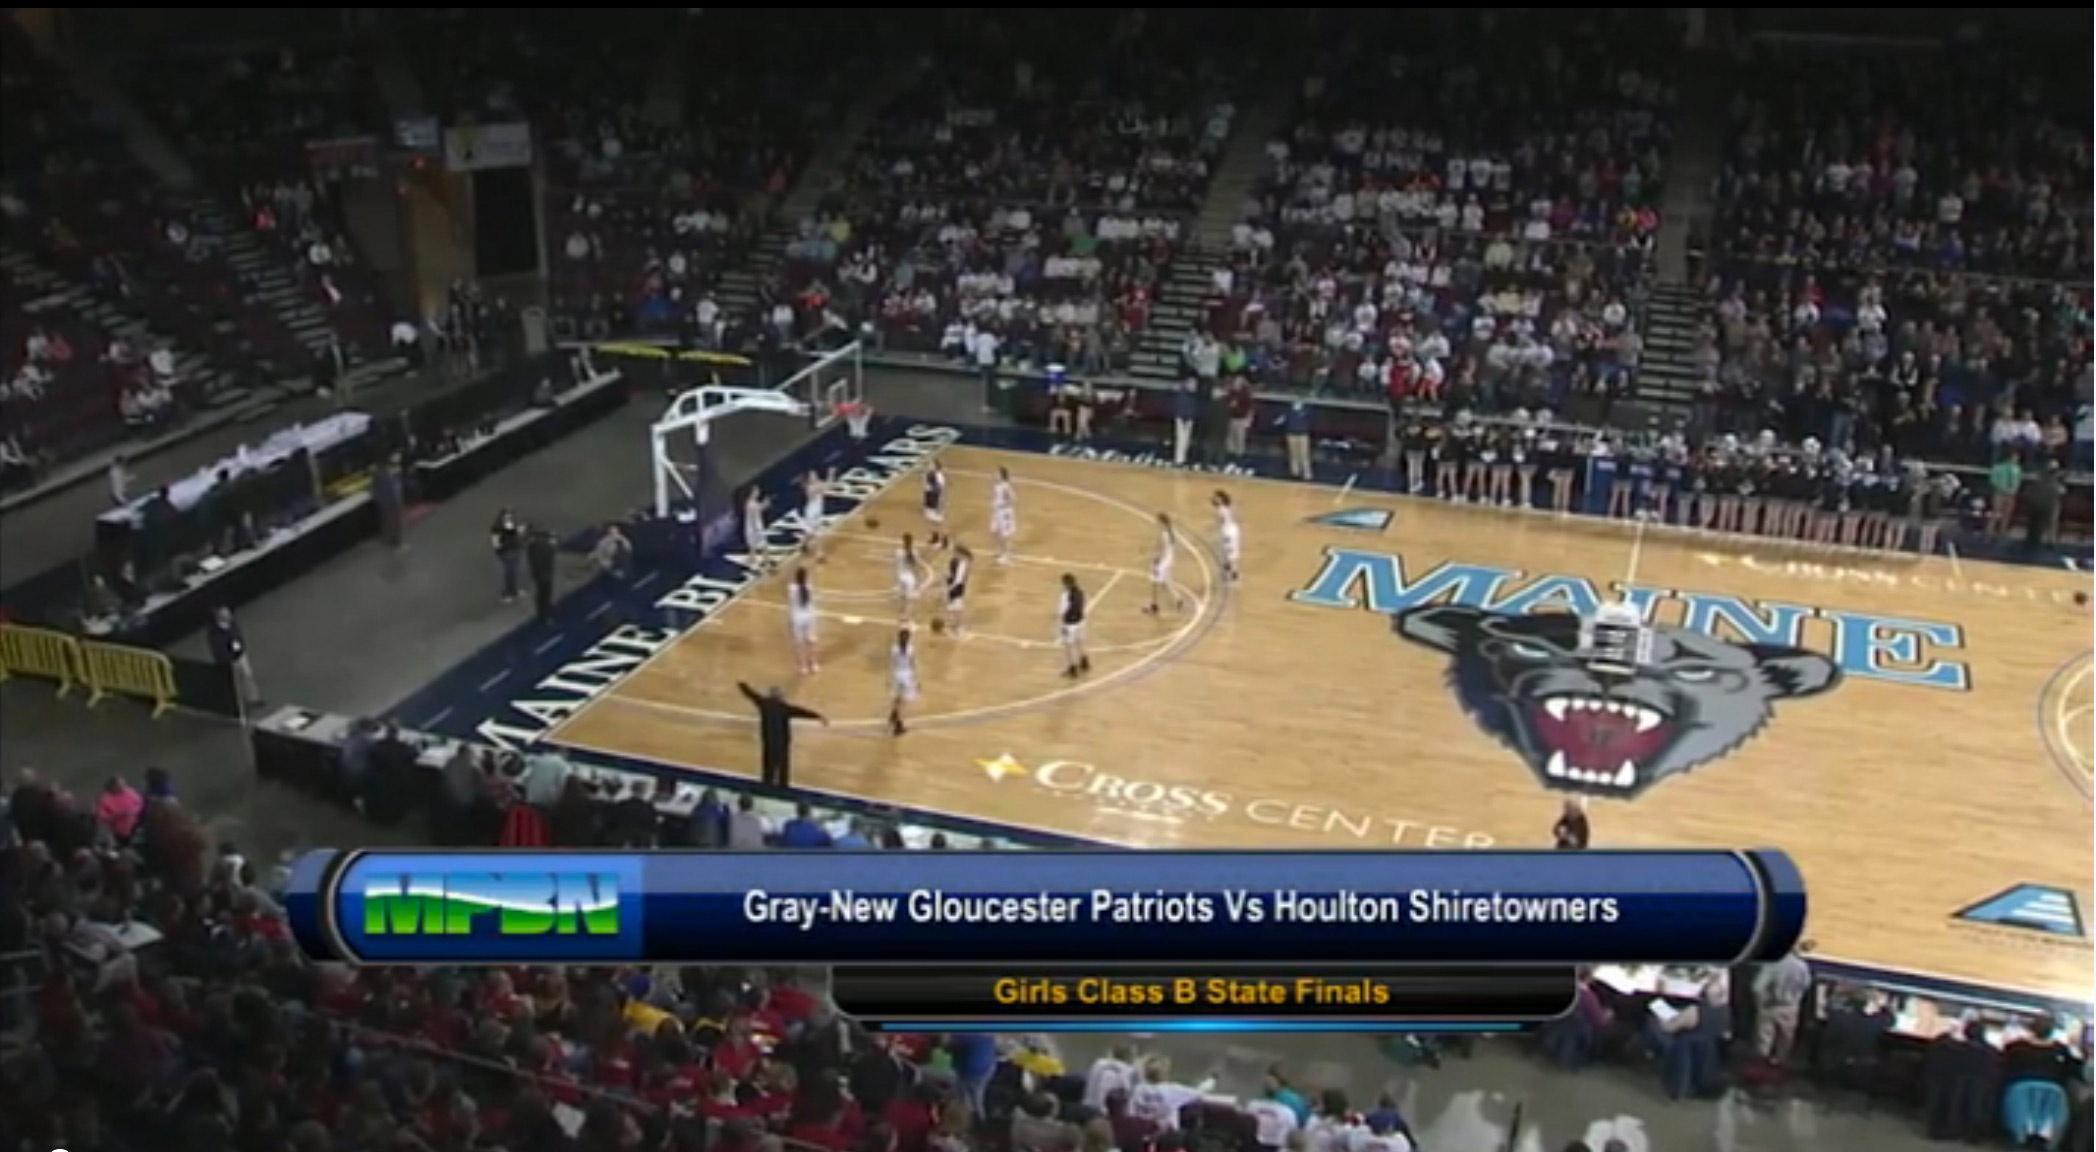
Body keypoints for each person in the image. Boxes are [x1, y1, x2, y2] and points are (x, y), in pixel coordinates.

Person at [737, 682, 828, 788]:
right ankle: (783, 790)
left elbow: (751, 694)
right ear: (781, 697)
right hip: (782, 746)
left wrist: (741, 685)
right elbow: (802, 712)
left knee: (768, 771)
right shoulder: (784, 708)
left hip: (769, 744)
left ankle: (766, 788)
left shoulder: (764, 704)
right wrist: (818, 716)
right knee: (783, 773)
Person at [1752, 945, 1813, 1068]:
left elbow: (1757, 988)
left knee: (1764, 1039)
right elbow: (1806, 985)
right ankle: (1779, 1066)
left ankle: (1761, 1067)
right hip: (1790, 1007)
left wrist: (1761, 1003)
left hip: (1770, 1005)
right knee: (1785, 1040)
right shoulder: (1802, 966)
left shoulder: (1773, 963)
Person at [206, 605, 261, 709]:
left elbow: (239, 636)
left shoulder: (233, 624)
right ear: (219, 616)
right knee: (234, 683)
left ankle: (254, 699)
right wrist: (229, 658)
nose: (229, 615)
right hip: (230, 661)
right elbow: (219, 649)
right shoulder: (214, 633)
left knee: (248, 676)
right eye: (226, 613)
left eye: (228, 613)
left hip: (240, 655)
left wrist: (242, 648)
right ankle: (238, 704)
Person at [1143, 513, 1187, 615]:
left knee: (1154, 581)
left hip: (1165, 561)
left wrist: (1156, 560)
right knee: (1168, 581)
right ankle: (1178, 599)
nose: (1156, 523)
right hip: (1171, 560)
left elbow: (1162, 549)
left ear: (1162, 522)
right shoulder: (1172, 532)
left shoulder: (1164, 534)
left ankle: (1154, 606)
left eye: (1158, 521)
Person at [788, 566, 821, 675]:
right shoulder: (809, 587)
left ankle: (803, 667)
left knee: (800, 643)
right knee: (811, 641)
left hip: (797, 617)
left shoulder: (792, 589)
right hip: (809, 616)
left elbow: (791, 603)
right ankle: (814, 664)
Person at [1059, 573, 1091, 678]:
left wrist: (1063, 624)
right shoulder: (1081, 592)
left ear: (1066, 584)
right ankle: (1084, 662)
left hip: (1070, 624)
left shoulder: (1065, 595)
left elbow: (1063, 611)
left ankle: (1072, 668)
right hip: (1081, 621)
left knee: (1068, 646)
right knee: (1080, 642)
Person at [490, 508, 525, 602]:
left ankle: (514, 591)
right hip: (506, 553)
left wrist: (519, 533)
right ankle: (507, 593)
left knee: (514, 572)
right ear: (502, 517)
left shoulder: (512, 524)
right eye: (507, 517)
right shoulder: (497, 528)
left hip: (515, 551)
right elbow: (496, 543)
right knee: (509, 573)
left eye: (510, 516)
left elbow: (516, 534)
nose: (509, 518)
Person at [888, 628, 917, 736]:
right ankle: (899, 725)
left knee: (896, 698)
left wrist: (890, 678)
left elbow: (892, 664)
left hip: (896, 675)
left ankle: (893, 714)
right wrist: (916, 679)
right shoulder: (911, 649)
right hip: (906, 676)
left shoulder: (894, 649)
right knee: (903, 702)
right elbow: (913, 665)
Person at [800, 469, 833, 560]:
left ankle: (803, 544)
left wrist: (831, 475)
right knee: (817, 533)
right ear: (809, 479)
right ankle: (819, 553)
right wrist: (830, 475)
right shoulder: (810, 488)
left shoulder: (818, 484)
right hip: (811, 512)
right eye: (812, 476)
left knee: (810, 533)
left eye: (815, 475)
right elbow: (825, 487)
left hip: (818, 511)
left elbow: (828, 486)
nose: (814, 477)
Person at [527, 526, 558, 621]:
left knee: (541, 594)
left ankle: (542, 610)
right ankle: (543, 613)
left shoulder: (534, 547)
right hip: (544, 574)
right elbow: (548, 558)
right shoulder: (545, 547)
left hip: (540, 574)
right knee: (544, 593)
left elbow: (533, 560)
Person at [942, 543, 973, 635]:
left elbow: (959, 579)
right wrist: (946, 577)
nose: (953, 553)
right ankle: (955, 625)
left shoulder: (963, 563)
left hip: (957, 587)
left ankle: (957, 626)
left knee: (957, 606)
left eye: (955, 552)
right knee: (953, 606)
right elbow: (950, 573)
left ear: (959, 553)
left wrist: (950, 588)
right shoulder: (954, 561)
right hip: (952, 585)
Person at [990, 466, 1018, 564]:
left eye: (997, 473)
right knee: (994, 531)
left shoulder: (1006, 486)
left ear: (1002, 475)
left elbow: (1013, 499)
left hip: (1005, 513)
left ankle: (1008, 555)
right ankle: (1000, 551)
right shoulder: (997, 485)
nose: (995, 475)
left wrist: (1001, 505)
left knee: (1006, 535)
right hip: (997, 512)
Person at [1212, 491, 1241, 582]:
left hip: (1228, 533)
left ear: (1221, 498)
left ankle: (1232, 573)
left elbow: (1221, 521)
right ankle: (1231, 571)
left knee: (1227, 553)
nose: (1214, 499)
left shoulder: (1221, 510)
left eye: (1216, 497)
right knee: (1230, 552)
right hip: (1234, 530)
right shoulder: (1230, 507)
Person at [895, 533, 921, 625]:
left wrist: (897, 580)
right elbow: (916, 568)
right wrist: (918, 582)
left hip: (901, 576)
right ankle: (906, 618)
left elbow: (897, 567)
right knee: (909, 600)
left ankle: (901, 616)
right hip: (910, 578)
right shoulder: (915, 553)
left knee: (902, 598)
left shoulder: (898, 552)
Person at [923, 459, 949, 549]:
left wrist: (939, 504)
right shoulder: (929, 474)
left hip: (937, 500)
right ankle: (935, 537)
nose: (929, 466)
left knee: (940, 521)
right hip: (929, 498)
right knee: (931, 520)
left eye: (931, 465)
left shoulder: (939, 476)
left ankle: (944, 541)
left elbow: (939, 490)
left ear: (936, 466)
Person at [743, 486, 770, 565]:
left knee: (754, 548)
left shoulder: (751, 503)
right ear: (752, 493)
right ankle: (766, 562)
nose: (758, 492)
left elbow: (759, 508)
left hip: (753, 528)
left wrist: (765, 504)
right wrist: (765, 503)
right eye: (756, 491)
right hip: (755, 528)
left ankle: (756, 561)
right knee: (763, 545)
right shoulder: (751, 504)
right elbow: (758, 510)